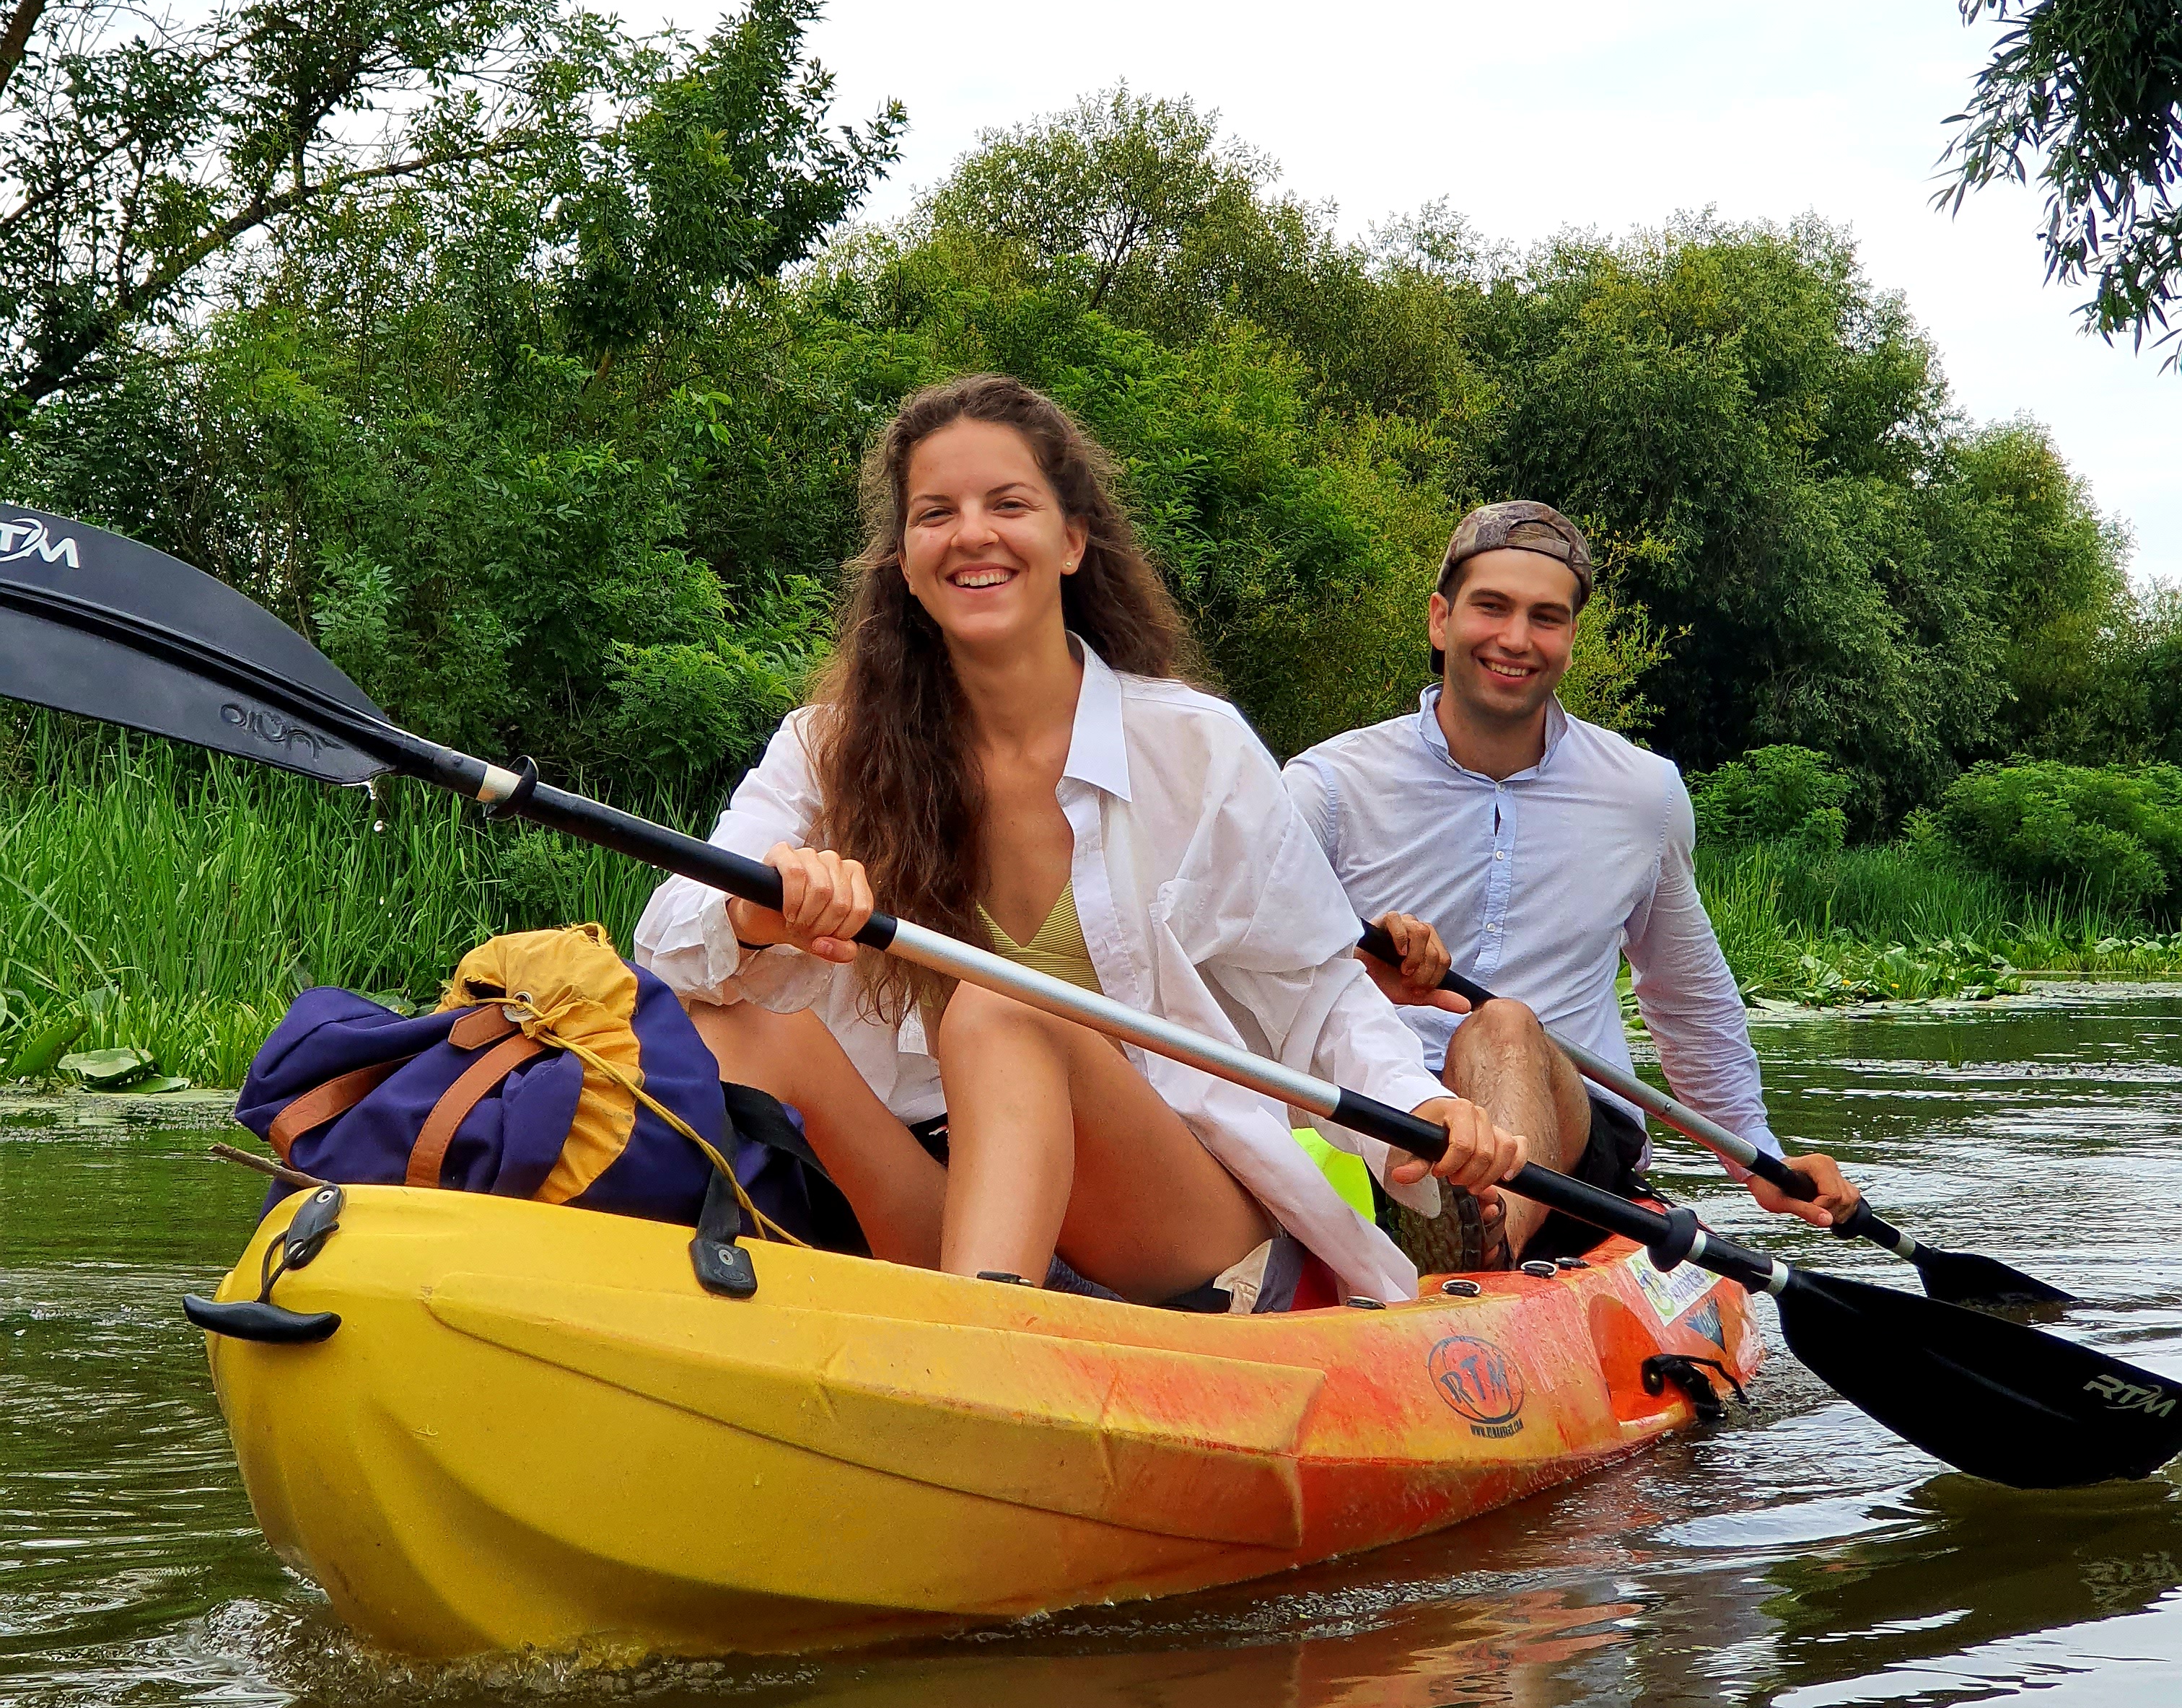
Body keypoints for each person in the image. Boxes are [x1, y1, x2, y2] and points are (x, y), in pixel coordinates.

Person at [634, 374, 1525, 1308]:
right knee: (726, 1013)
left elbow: (1319, 994)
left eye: (1007, 504)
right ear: (904, 558)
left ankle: (981, 1361)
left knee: (1000, 1009)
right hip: (944, 1195)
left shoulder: (1194, 745)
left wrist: (1416, 1114)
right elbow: (668, 939)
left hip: (1175, 1227)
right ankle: (777, 1306)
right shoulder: (826, 749)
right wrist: (756, 908)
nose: (972, 532)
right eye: (937, 512)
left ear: (1070, 540)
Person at [1283, 499, 1857, 1268]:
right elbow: (1261, 976)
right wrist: (1365, 969)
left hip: (1576, 1133)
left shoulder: (1643, 794)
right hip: (1383, 1116)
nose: (1516, 639)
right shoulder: (1325, 788)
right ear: (1439, 620)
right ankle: (1442, 1228)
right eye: (1492, 607)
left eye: (1546, 617)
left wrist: (1757, 1157)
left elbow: (1687, 997)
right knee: (1447, 1059)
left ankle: (1481, 1247)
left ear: (1570, 640)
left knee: (1505, 1026)